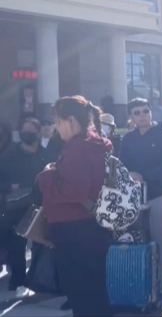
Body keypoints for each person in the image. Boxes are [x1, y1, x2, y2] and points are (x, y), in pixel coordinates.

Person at [37, 96, 114, 317]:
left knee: (82, 295)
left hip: (75, 230)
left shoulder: (78, 148)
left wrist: (47, 177)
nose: (56, 128)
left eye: (58, 122)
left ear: (70, 120)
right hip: (92, 226)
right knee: (95, 292)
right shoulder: (96, 143)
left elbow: (76, 190)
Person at [119, 98, 162, 303]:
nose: (142, 115)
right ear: (131, 117)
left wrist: (144, 175)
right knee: (135, 240)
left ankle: (161, 287)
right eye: (137, 112)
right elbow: (121, 164)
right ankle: (140, 284)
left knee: (161, 240)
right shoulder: (128, 139)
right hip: (133, 197)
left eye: (145, 111)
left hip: (157, 194)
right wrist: (131, 174)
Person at [0, 117, 51, 297]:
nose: (27, 134)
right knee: (17, 245)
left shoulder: (45, 154)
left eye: (31, 130)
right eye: (24, 130)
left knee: (40, 244)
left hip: (40, 206)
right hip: (16, 207)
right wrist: (9, 187)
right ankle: (18, 281)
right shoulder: (9, 155)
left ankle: (40, 281)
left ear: (38, 134)